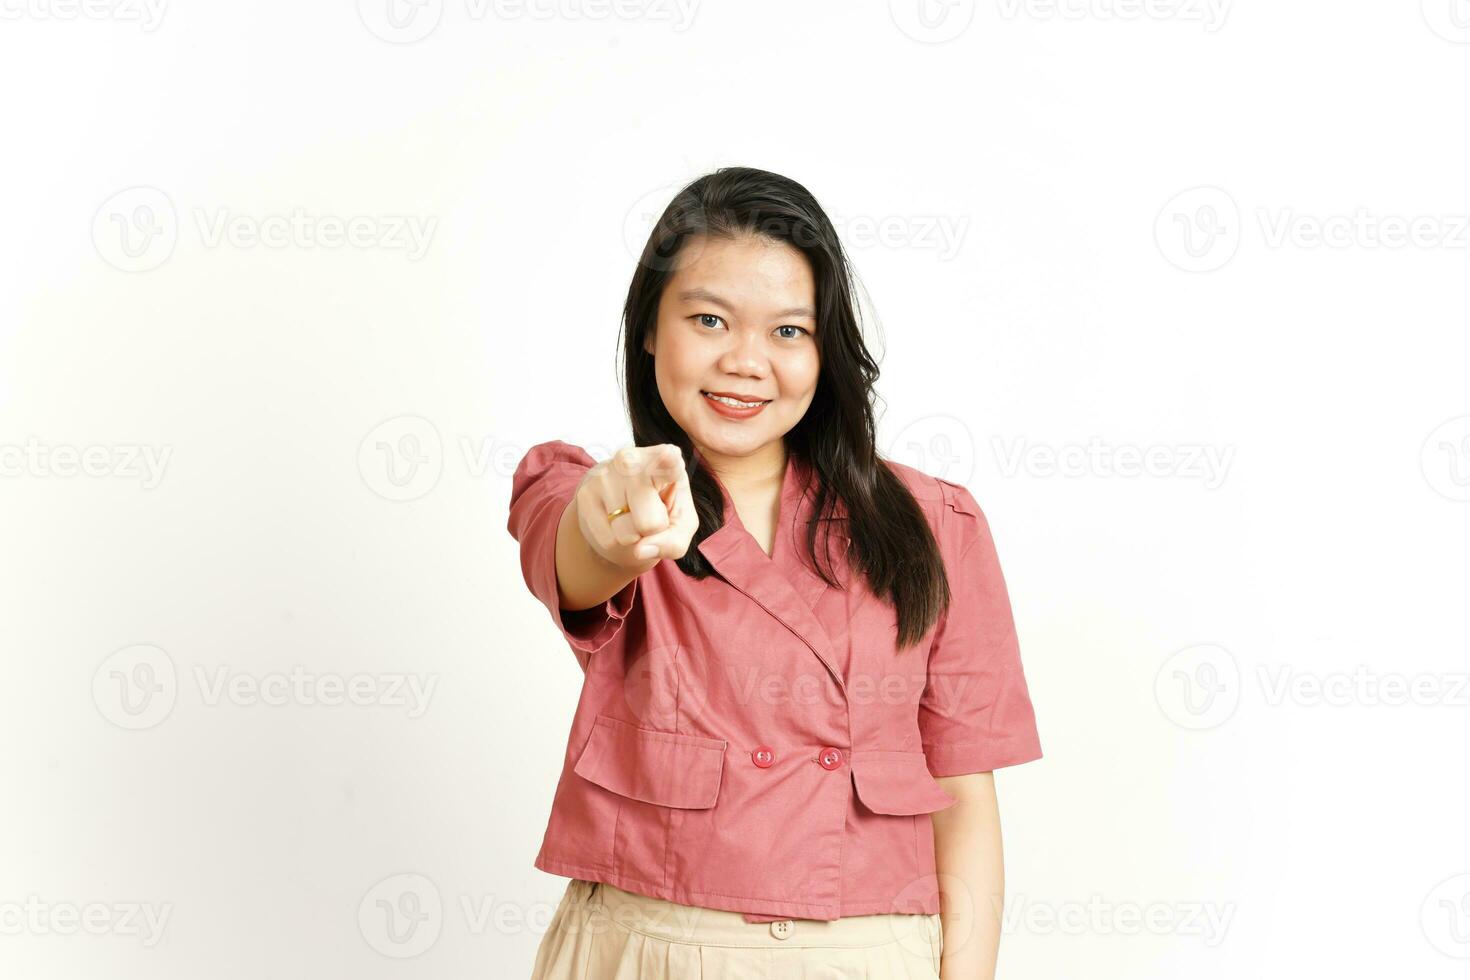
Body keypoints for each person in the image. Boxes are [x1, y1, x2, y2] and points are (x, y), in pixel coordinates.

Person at [507, 166, 1042, 979]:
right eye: (710, 319)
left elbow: (965, 795)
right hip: (646, 947)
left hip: (871, 955)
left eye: (788, 332)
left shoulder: (936, 523)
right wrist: (615, 524)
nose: (746, 362)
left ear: (826, 350)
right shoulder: (592, 490)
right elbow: (582, 552)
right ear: (650, 327)